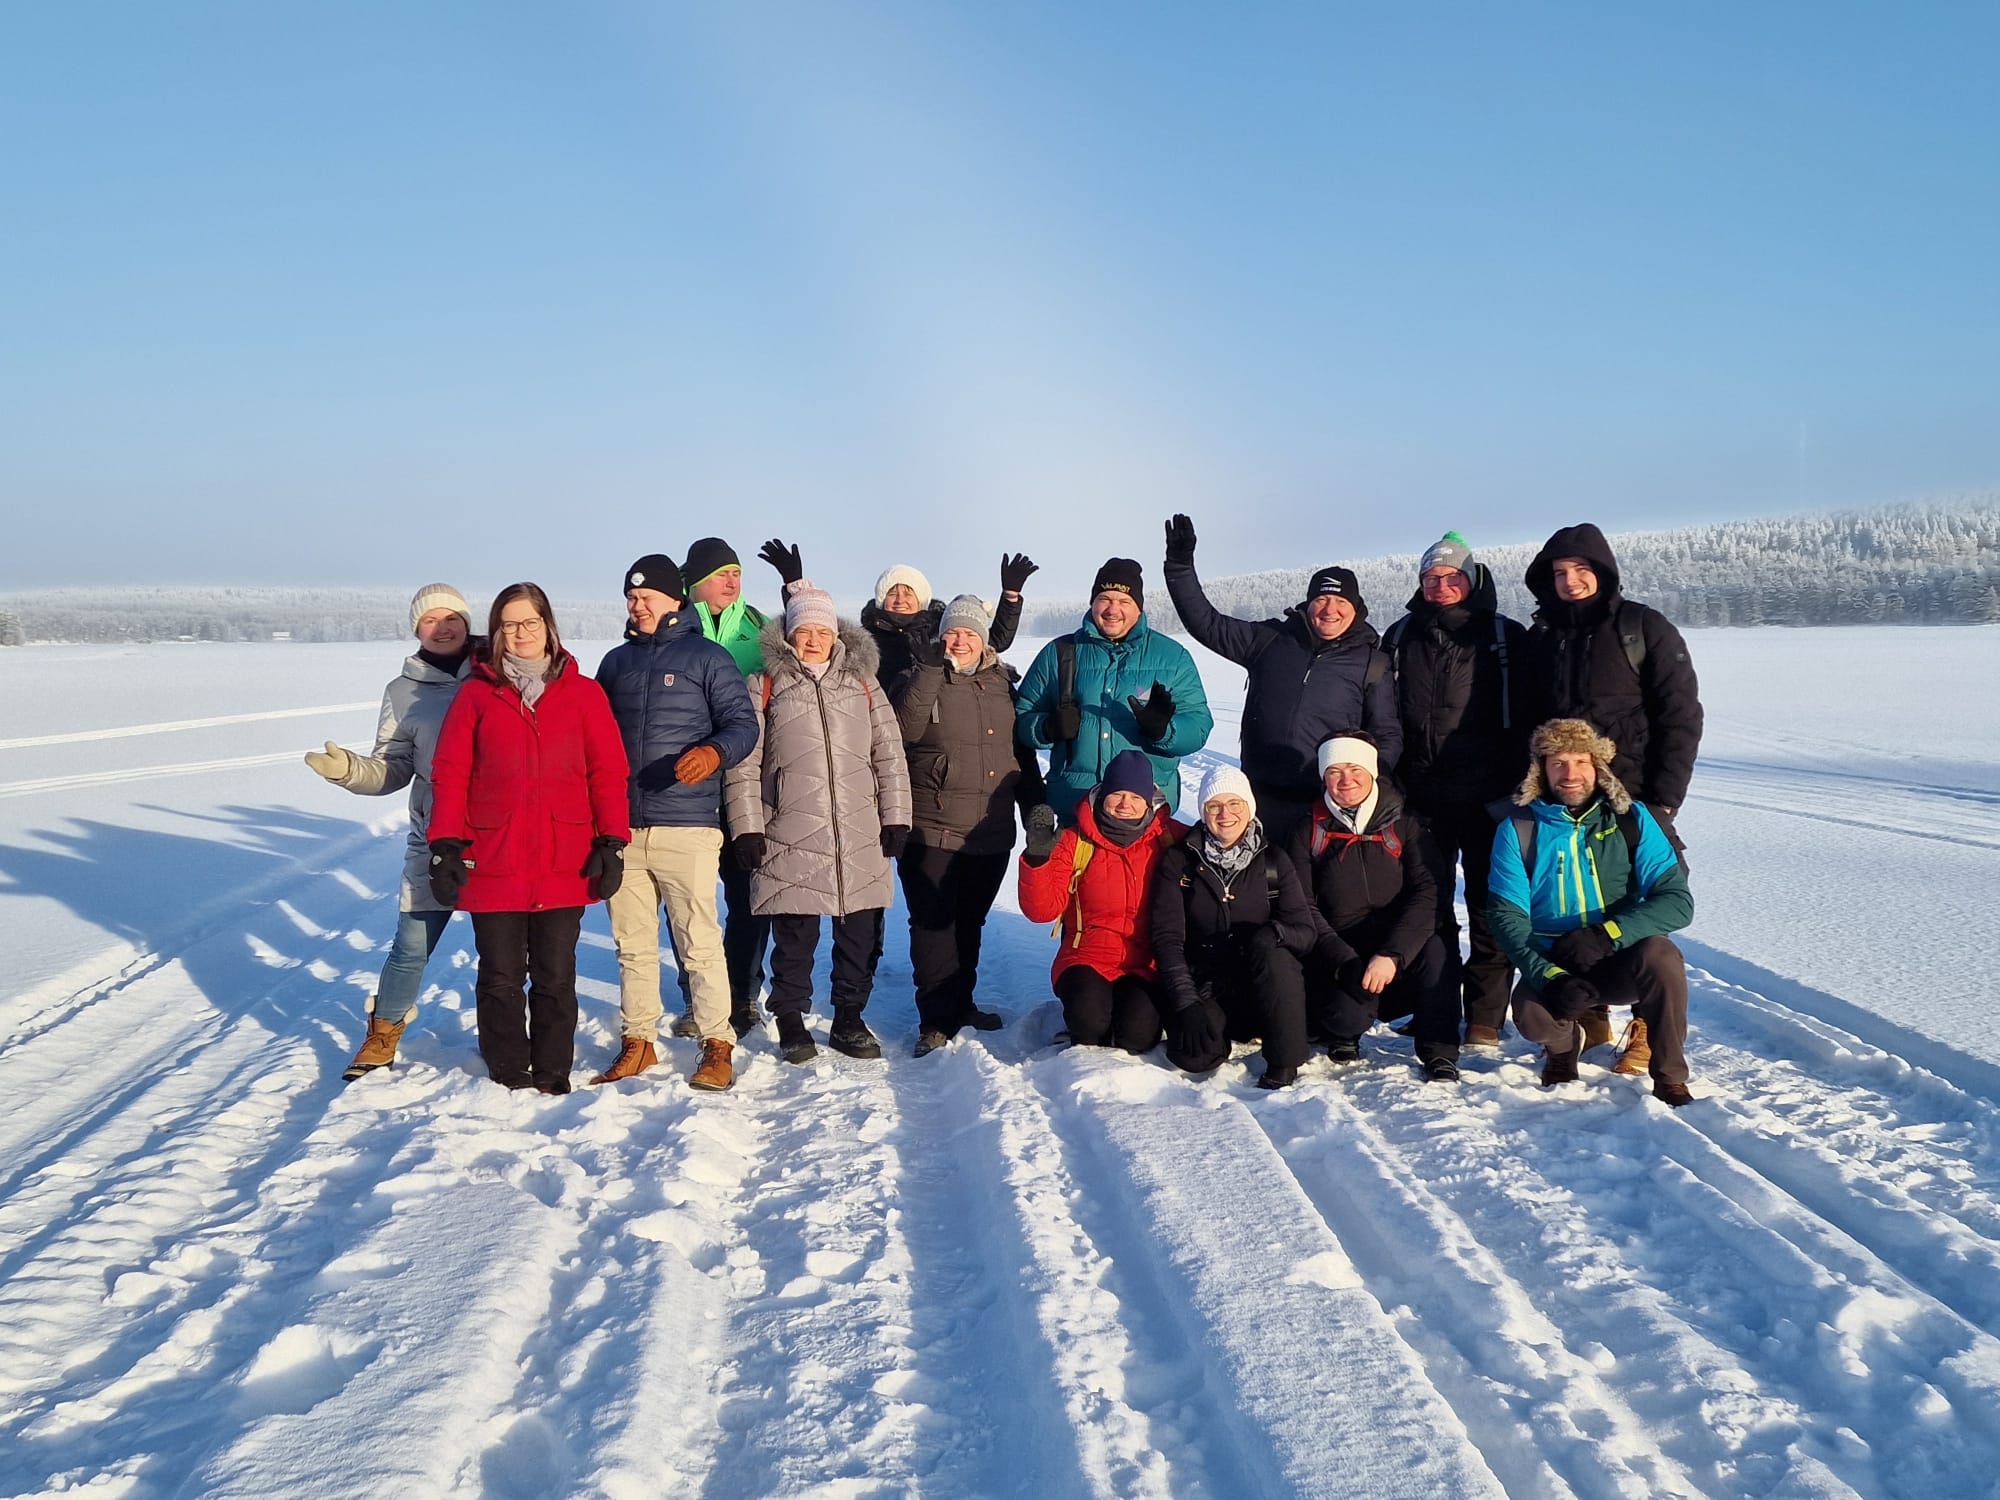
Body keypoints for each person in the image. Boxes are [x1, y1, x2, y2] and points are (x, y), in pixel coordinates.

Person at [426, 584, 630, 1092]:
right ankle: (508, 1068)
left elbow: (606, 772)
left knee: (556, 974)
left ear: (548, 627)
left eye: (529, 623)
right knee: (499, 974)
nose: (519, 634)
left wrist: (611, 841)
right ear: (496, 632)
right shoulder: (476, 694)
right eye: (509, 625)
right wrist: (446, 843)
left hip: (566, 856)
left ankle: (553, 1067)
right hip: (493, 854)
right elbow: (450, 772)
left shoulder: (583, 694)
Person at [722, 579, 913, 1064]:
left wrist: (897, 818)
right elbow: (744, 763)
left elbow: (888, 755)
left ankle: (850, 1017)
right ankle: (790, 1018)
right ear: (788, 635)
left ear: (837, 635)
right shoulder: (765, 684)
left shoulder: (864, 685)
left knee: (859, 934)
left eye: (821, 631)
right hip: (789, 828)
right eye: (802, 630)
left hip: (858, 829)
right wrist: (746, 826)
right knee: (795, 935)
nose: (812, 640)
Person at [590, 555, 761, 1092]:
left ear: (674, 600)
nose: (637, 606)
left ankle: (717, 1042)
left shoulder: (707, 658)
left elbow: (742, 725)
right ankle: (638, 1041)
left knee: (698, 938)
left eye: (646, 598)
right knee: (632, 943)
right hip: (623, 824)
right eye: (630, 599)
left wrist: (713, 753)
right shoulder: (615, 664)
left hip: (686, 823)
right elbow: (592, 740)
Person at [306, 583, 479, 1081]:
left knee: (506, 948)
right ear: (416, 629)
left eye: (452, 618)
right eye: (430, 621)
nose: (443, 628)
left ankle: (505, 1034)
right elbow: (394, 767)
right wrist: (349, 771)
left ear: (467, 623)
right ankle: (383, 1032)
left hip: (498, 829)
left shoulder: (497, 671)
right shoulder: (402, 691)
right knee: (413, 940)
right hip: (435, 835)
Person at [1486, 718, 1695, 1106]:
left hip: (1618, 956)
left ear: (1599, 766)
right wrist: (1549, 976)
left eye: (1581, 761)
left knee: (1662, 957)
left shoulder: (1633, 820)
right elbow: (1507, 917)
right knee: (1531, 1017)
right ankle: (1564, 1048)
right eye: (1558, 763)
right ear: (1541, 770)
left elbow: (1677, 902)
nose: (1571, 774)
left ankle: (1669, 1076)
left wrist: (1606, 934)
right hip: (1556, 959)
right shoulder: (1518, 829)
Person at [1380, 532, 1535, 1047]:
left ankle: (1486, 1017)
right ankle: (1435, 1005)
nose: (1441, 586)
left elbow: (1533, 712)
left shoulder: (1503, 637)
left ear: (1472, 580)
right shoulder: (1400, 637)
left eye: (1452, 577)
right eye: (1431, 578)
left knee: (1493, 907)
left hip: (1494, 798)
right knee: (1431, 905)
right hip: (1422, 798)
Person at [1163, 513, 1399, 847]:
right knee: (1259, 894)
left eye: (1340, 601)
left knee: (1314, 896)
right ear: (1308, 603)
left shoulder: (1371, 663)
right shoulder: (1271, 640)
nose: (1330, 609)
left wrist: (1374, 786)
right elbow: (1208, 624)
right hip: (1259, 795)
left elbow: (1387, 735)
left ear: (1356, 609)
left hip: (1323, 806)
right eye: (1321, 599)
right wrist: (1180, 568)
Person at [892, 594, 1036, 1056]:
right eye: (952, 632)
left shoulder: (1003, 686)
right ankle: (935, 1020)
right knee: (934, 926)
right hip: (930, 827)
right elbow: (902, 730)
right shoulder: (918, 677)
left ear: (983, 640)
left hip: (988, 833)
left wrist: (1037, 807)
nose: (959, 640)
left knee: (969, 924)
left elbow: (1023, 756)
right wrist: (930, 669)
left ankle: (962, 1003)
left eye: (969, 633)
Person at [1292, 733, 1461, 1081]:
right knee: (1343, 1016)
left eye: (1354, 768)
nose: (1345, 780)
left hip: (1400, 945)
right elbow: (1303, 904)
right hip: (1344, 947)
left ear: (1371, 771)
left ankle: (1439, 1050)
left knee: (1438, 948)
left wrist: (1394, 953)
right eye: (1334, 771)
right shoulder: (1307, 828)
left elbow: (1430, 891)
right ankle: (1344, 1033)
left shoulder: (1405, 821)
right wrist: (1343, 959)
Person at [1523, 522, 1703, 833]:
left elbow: (1680, 716)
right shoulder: (1541, 637)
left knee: (1657, 880)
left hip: (1633, 797)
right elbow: (1525, 719)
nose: (1571, 580)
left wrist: (1665, 800)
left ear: (1602, 571)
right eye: (1559, 573)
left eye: (1581, 569)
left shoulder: (1642, 627)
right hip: (1559, 801)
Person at [1149, 764, 1316, 1088]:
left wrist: (1273, 934)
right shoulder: (1179, 861)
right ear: (1203, 812)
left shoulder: (1273, 860)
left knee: (1278, 957)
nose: (1225, 814)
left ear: (1249, 807)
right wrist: (1187, 1003)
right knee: (1192, 1056)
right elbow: (1167, 938)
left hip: (1264, 980)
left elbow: (1305, 931)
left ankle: (1284, 1061)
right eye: (1214, 806)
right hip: (1210, 982)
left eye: (1234, 804)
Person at [1015, 556, 1213, 823]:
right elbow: (1023, 715)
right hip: (1076, 807)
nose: (1112, 609)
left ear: (1139, 608)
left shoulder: (1172, 657)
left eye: (1124, 601)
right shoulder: (1059, 654)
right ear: (1092, 602)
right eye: (1104, 599)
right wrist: (1047, 728)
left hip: (1144, 812)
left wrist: (1165, 731)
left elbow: (1199, 726)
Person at [681, 536, 779, 1039]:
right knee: (691, 901)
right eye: (722, 572)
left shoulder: (758, 627)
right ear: (694, 581)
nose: (733, 580)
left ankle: (742, 994)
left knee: (746, 896)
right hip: (684, 784)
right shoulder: (674, 623)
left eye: (737, 572)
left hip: (745, 780)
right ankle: (696, 998)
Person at [1016, 749, 1177, 1053]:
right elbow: (1041, 911)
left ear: (1149, 800)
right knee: (1089, 1026)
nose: (1125, 804)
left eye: (1135, 796)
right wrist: (1037, 860)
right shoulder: (1075, 841)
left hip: (1144, 963)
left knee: (1138, 1036)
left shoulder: (1168, 840)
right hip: (1085, 956)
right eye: (1117, 794)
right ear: (1102, 795)